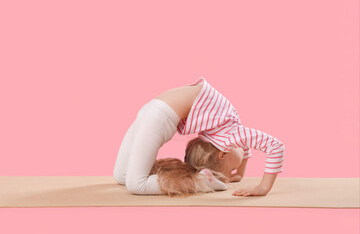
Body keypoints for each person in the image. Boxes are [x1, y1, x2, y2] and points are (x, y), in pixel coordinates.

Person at [113, 77, 285, 197]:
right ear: (223, 153)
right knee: (133, 182)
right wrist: (264, 187)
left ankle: (203, 180)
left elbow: (243, 145)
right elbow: (275, 146)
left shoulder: (224, 135)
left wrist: (239, 172)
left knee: (124, 178)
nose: (235, 169)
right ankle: (203, 182)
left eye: (232, 169)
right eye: (232, 169)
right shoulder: (229, 134)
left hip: (154, 113)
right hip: (156, 115)